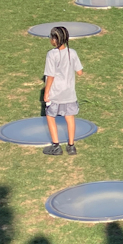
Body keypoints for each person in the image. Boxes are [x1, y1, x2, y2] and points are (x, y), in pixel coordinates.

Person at [42, 25, 84, 156]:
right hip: (69, 93)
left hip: (55, 93)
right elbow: (80, 72)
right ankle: (71, 146)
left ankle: (56, 146)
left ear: (55, 39)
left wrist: (46, 92)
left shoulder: (51, 55)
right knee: (70, 117)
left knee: (50, 116)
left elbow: (50, 75)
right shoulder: (73, 53)